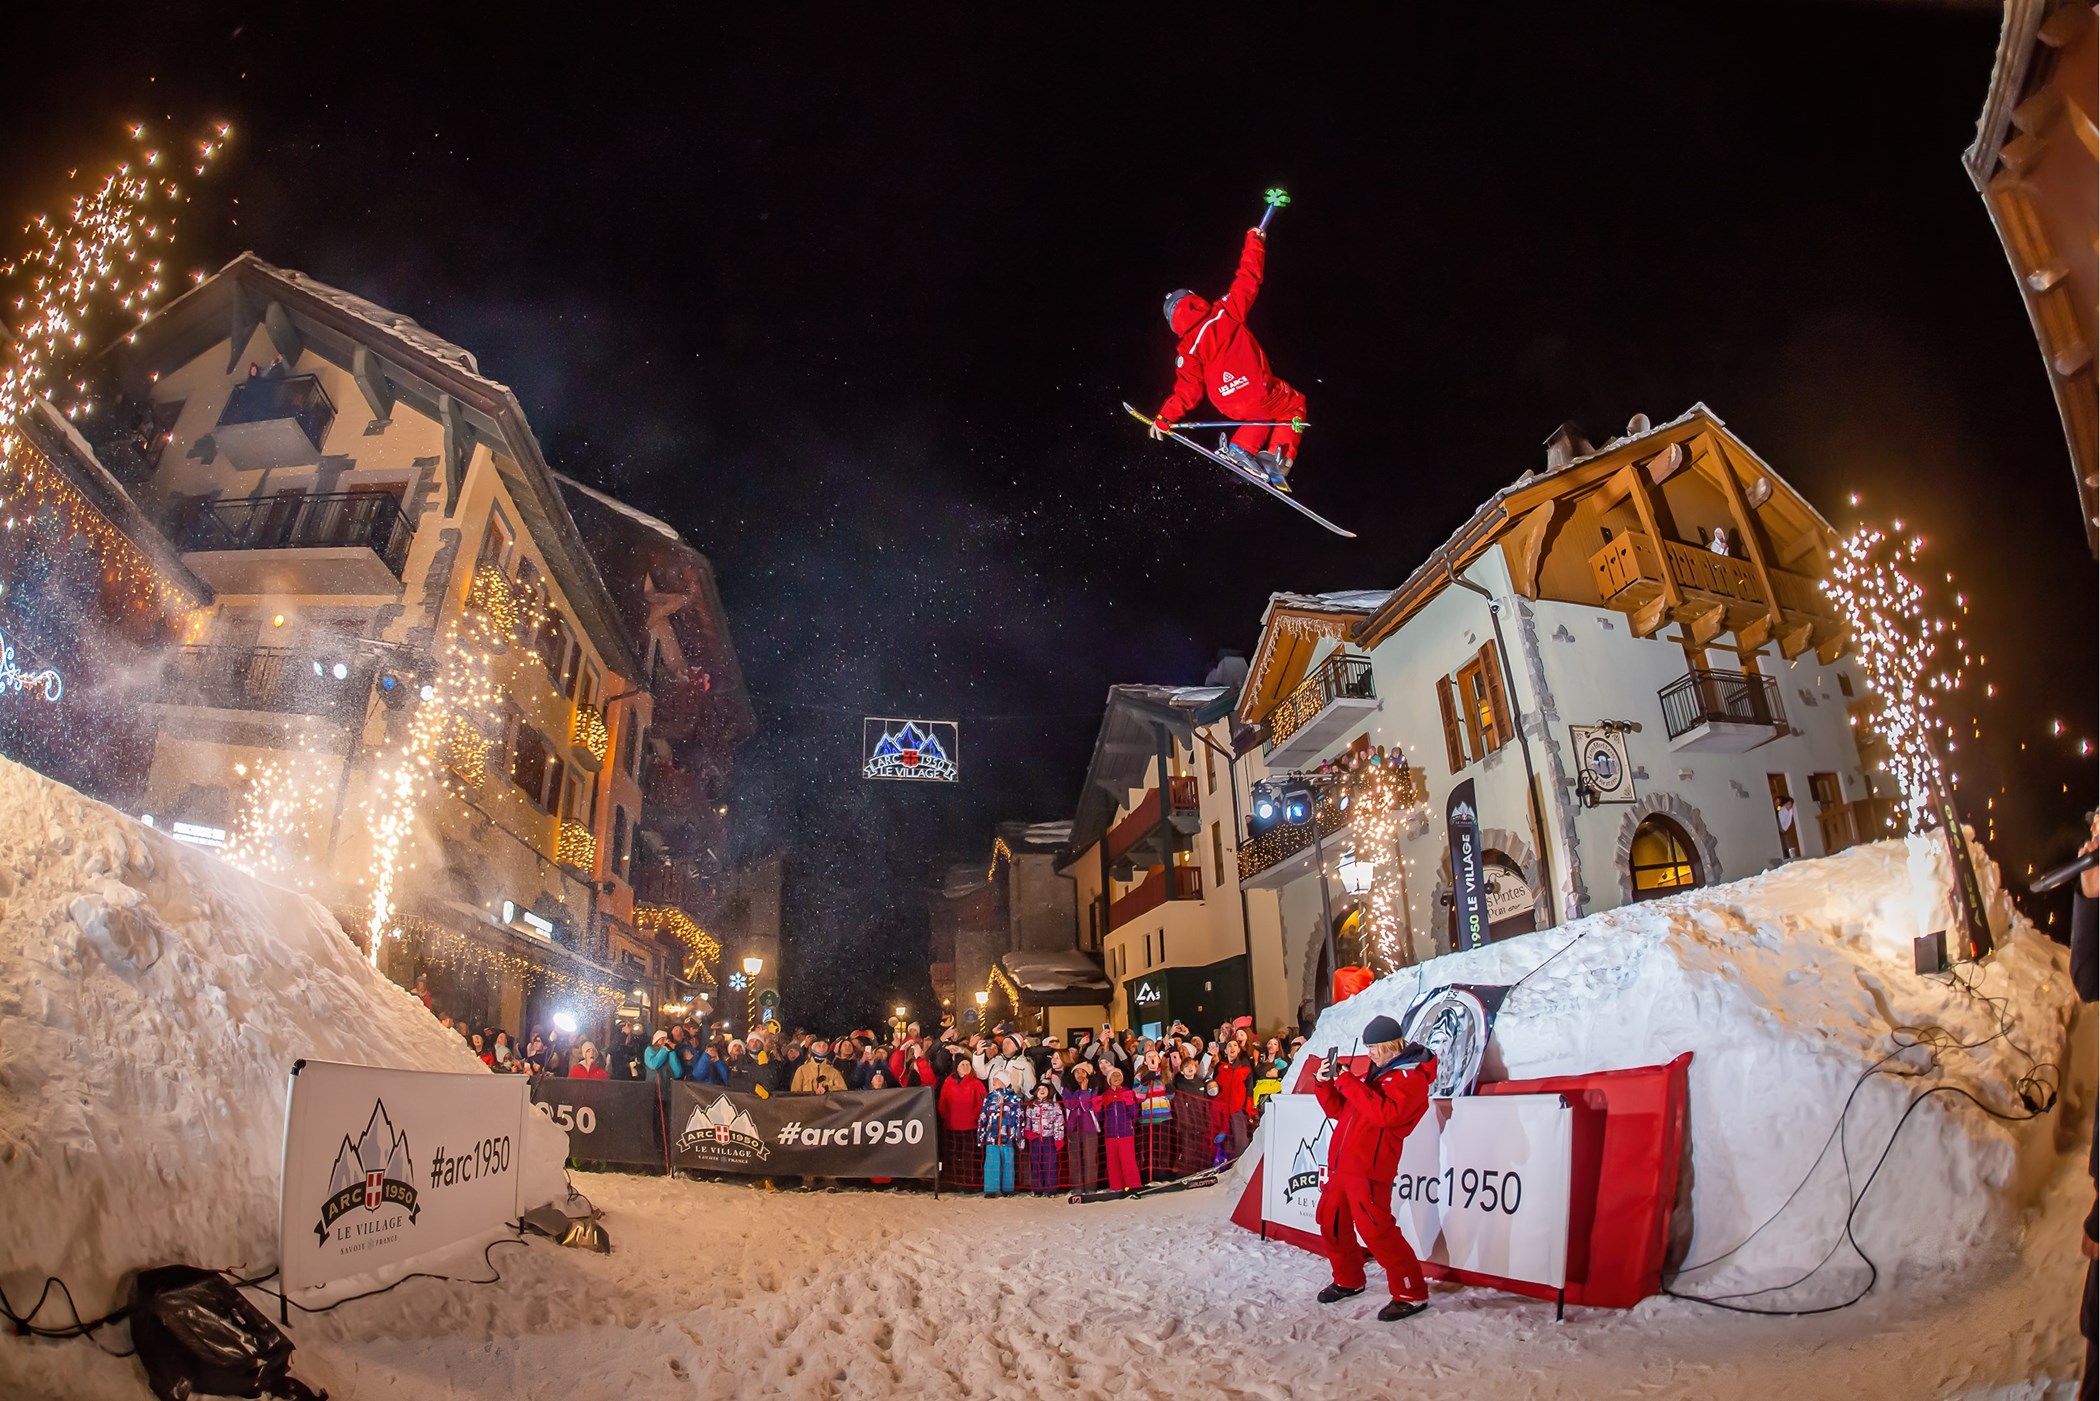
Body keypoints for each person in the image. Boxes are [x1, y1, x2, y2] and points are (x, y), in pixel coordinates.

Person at [1152, 221, 1305, 487]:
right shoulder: (1225, 311)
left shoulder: (1187, 348)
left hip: (1225, 401)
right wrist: (1255, 241)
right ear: (1194, 299)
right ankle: (1279, 459)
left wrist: (1165, 418)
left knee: (1261, 413)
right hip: (1255, 388)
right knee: (1294, 404)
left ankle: (1242, 447)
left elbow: (1188, 391)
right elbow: (1249, 277)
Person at [1312, 1014, 1439, 1323]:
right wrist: (1324, 1083)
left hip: (1369, 1168)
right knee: (1332, 1220)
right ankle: (1348, 1278)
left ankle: (1411, 1292)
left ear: (1388, 1046)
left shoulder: (1410, 1078)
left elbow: (1386, 1115)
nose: (1368, 1054)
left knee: (1377, 1231)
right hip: (1343, 1165)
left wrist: (1348, 1082)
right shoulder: (1379, 1073)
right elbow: (1339, 1110)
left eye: (1372, 1048)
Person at [939, 1057, 988, 1191]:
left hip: (970, 1127)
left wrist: (977, 1118)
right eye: (963, 1064)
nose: (966, 1067)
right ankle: (954, 1182)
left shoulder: (976, 1083)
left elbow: (984, 1102)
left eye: (968, 1064)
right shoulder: (948, 1082)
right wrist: (946, 1119)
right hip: (952, 1127)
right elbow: (943, 1103)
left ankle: (970, 1183)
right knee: (954, 1155)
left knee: (970, 1156)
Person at [977, 1072, 1025, 1198]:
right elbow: (983, 1116)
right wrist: (981, 1134)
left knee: (1008, 1162)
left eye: (997, 1079)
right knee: (992, 1161)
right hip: (991, 1136)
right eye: (993, 1079)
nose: (994, 1081)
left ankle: (1008, 1188)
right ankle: (991, 1189)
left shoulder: (1014, 1099)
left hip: (1007, 1136)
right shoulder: (989, 1098)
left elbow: (1019, 1119)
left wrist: (1019, 1137)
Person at [1097, 1066, 1141, 1194]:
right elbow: (1100, 1118)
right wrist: (1097, 1108)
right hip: (1110, 1135)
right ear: (1109, 1079)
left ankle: (1133, 1186)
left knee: (1128, 1161)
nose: (1116, 1078)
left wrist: (1130, 1103)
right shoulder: (1105, 1096)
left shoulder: (1127, 1092)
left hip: (1126, 1132)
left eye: (1119, 1075)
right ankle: (1116, 1187)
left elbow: (1135, 1115)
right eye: (1113, 1076)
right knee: (1113, 1163)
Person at [1062, 1062, 1103, 1193]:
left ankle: (1091, 1187)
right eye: (1077, 1072)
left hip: (1089, 1127)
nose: (1080, 1075)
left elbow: (1088, 1106)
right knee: (1075, 1158)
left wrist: (1084, 1091)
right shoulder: (1067, 1089)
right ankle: (1077, 1186)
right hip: (1073, 1127)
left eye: (1083, 1072)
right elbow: (1070, 1105)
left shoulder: (1094, 1088)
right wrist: (1080, 1092)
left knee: (1090, 1157)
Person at [1024, 1083, 1066, 1197]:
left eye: (1045, 1089)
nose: (1042, 1091)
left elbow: (1059, 1122)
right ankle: (1037, 1189)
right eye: (1039, 1089)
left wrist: (1058, 1138)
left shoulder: (1054, 1106)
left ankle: (1051, 1189)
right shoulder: (1031, 1106)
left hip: (1049, 1139)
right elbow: (1028, 1121)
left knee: (1050, 1164)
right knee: (1035, 1164)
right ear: (1035, 1092)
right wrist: (1028, 1132)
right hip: (1035, 1139)